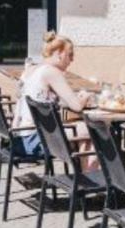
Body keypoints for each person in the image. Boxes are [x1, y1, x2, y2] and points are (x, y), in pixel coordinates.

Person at [12, 31, 93, 160]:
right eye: (70, 55)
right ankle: (87, 177)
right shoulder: (51, 72)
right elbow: (77, 107)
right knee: (92, 130)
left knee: (81, 128)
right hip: (35, 140)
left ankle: (85, 175)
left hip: (19, 137)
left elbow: (48, 100)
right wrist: (86, 96)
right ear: (58, 54)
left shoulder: (30, 69)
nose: (72, 60)